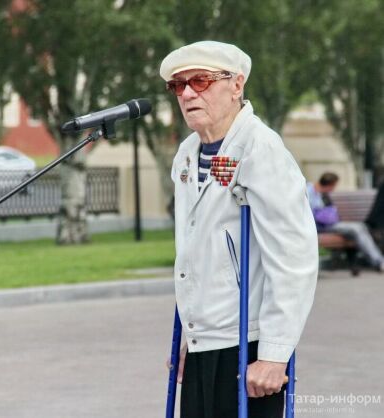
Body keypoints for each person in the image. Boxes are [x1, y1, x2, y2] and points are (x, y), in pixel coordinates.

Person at [160, 41, 318, 417]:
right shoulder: (187, 152)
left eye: (199, 81)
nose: (186, 93)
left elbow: (293, 256)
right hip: (204, 341)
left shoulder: (261, 150)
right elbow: (195, 250)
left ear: (236, 85)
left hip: (250, 344)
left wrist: (276, 355)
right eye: (177, 86)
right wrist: (190, 337)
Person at [307, 172, 384, 271]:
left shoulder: (321, 193)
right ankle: (378, 261)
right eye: (334, 186)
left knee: (361, 228)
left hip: (329, 224)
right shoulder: (310, 191)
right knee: (357, 229)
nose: (333, 189)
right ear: (330, 184)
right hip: (321, 225)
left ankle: (377, 260)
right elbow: (311, 213)